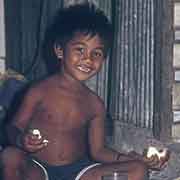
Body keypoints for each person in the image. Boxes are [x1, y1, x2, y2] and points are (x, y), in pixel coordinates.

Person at [0, 3, 169, 180]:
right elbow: (12, 127)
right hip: (38, 169)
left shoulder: (95, 104)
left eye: (96, 53)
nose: (88, 59)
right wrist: (21, 140)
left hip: (78, 173)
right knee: (10, 156)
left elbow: (98, 151)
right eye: (80, 50)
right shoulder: (40, 91)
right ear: (59, 50)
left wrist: (130, 158)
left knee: (137, 169)